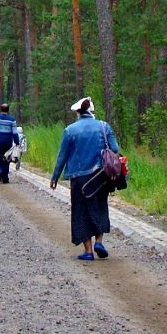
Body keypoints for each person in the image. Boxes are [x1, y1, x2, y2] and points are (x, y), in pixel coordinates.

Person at [50, 97, 120, 260]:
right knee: (99, 207)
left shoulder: (70, 130)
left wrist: (55, 177)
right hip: (100, 176)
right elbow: (115, 148)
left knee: (81, 212)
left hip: (78, 178)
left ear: (78, 113)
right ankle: (99, 242)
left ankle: (88, 251)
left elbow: (62, 156)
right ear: (92, 111)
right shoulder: (104, 126)